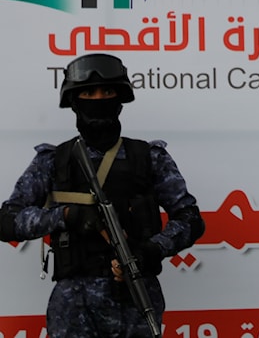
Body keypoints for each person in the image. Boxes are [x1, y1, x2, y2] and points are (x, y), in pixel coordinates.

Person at [0, 53, 205, 337]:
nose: (98, 99)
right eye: (88, 92)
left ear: (120, 99)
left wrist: (150, 251)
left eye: (107, 91)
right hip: (73, 306)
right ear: (74, 101)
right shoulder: (53, 161)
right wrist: (66, 216)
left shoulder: (149, 158)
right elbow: (8, 220)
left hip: (135, 299)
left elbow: (190, 219)